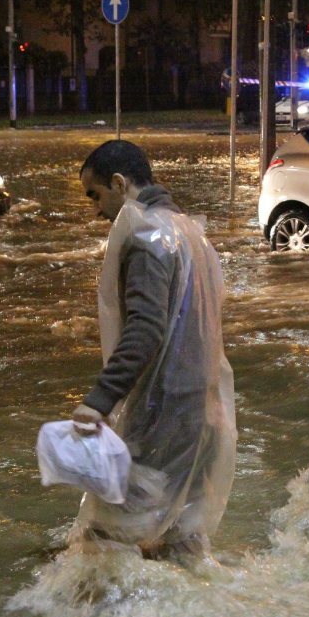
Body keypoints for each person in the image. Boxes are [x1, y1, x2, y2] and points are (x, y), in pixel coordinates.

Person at [70, 140, 237, 562]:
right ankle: (204, 616)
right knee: (179, 537)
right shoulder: (189, 231)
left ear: (120, 183)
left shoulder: (146, 238)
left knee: (103, 539)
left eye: (96, 195)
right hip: (203, 409)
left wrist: (100, 400)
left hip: (164, 410)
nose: (95, 209)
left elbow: (145, 327)